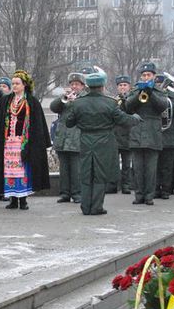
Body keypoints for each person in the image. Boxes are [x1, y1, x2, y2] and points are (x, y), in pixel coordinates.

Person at [63, 68, 140, 215]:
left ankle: (85, 207)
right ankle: (96, 207)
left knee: (86, 174)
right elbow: (124, 120)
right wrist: (136, 118)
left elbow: (69, 123)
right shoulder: (110, 103)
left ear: (88, 86)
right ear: (102, 86)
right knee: (100, 175)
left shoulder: (78, 103)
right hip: (104, 142)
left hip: (85, 141)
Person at [0, 70, 51, 210]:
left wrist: (40, 143)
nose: (14, 86)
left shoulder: (31, 101)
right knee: (9, 171)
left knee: (23, 170)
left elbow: (38, 124)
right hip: (8, 142)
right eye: (13, 83)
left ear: (24, 85)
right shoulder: (6, 101)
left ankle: (23, 200)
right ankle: (13, 199)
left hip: (23, 142)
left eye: (17, 83)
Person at [125, 62, 168, 205]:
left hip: (152, 133)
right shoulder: (135, 90)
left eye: (148, 75)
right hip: (137, 132)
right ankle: (139, 196)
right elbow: (128, 107)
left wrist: (151, 93)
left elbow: (162, 107)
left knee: (150, 169)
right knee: (137, 168)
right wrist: (139, 94)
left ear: (154, 76)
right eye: (143, 75)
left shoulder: (159, 91)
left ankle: (149, 196)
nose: (145, 77)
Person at [49, 72, 85, 204]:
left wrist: (76, 102)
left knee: (76, 169)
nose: (74, 87)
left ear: (82, 86)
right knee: (63, 168)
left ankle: (77, 194)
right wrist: (63, 98)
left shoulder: (84, 98)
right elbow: (53, 107)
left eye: (77, 84)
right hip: (62, 138)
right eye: (72, 84)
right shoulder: (64, 98)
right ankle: (65, 193)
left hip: (76, 138)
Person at [155, 73, 174, 200]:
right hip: (156, 135)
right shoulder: (153, 95)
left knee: (167, 166)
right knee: (156, 166)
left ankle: (166, 190)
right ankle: (156, 189)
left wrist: (168, 102)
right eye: (157, 84)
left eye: (161, 83)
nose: (159, 86)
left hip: (170, 136)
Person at [114, 75, 133, 194]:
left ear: (129, 87)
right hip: (115, 136)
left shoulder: (132, 99)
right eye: (120, 85)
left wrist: (125, 100)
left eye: (125, 85)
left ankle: (126, 185)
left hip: (128, 135)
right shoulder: (114, 100)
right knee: (114, 165)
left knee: (126, 164)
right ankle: (115, 185)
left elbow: (130, 112)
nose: (122, 87)